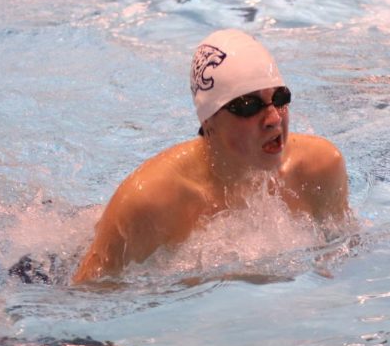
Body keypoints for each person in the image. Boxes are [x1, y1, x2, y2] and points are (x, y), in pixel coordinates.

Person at [72, 29, 349, 284]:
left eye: (279, 98)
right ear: (209, 121)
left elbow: (341, 261)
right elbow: (87, 298)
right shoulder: (151, 202)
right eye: (248, 106)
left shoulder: (320, 167)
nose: (274, 118)